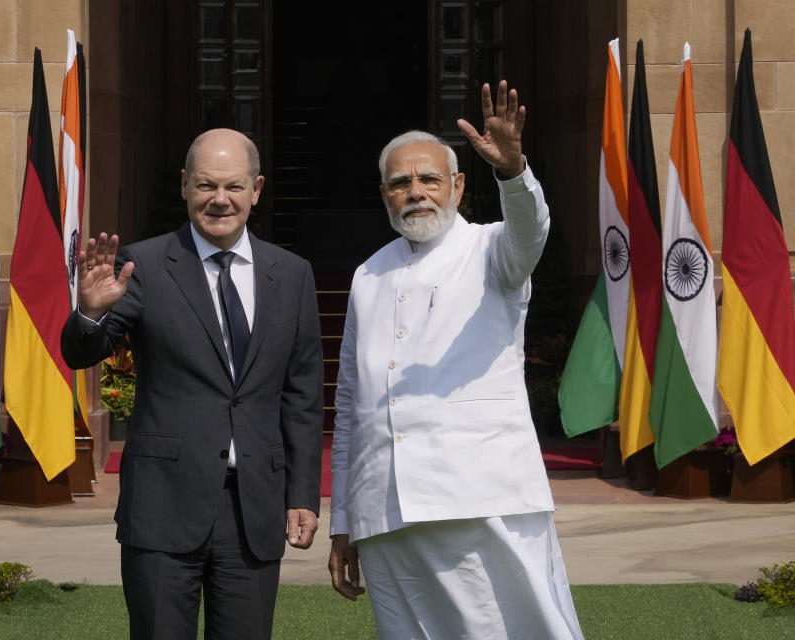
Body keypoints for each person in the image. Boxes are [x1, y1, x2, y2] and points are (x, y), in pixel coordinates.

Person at [327, 82, 584, 639]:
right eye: (400, 183)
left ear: (459, 185)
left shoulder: (494, 249)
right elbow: (350, 404)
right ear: (383, 194)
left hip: (481, 498)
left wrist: (514, 173)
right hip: (385, 514)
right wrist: (344, 522)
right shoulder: (367, 275)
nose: (415, 192)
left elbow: (532, 229)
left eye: (429, 179)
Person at [61, 128, 323, 639]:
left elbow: (303, 397)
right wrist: (90, 314)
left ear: (257, 189)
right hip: (163, 504)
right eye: (206, 185)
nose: (219, 200)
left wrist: (303, 494)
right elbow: (83, 351)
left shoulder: (291, 273)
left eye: (233, 187)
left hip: (253, 510)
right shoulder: (145, 264)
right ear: (184, 185)